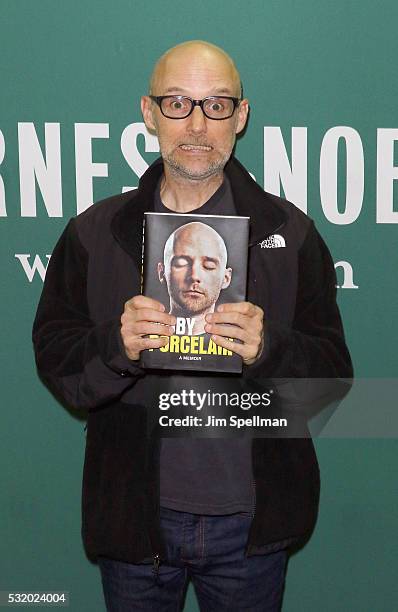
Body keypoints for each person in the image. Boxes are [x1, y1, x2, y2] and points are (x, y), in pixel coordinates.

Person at [32, 40, 353, 611]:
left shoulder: (292, 235)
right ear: (149, 113)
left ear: (242, 116)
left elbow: (333, 376)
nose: (198, 124)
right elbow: (57, 364)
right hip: (134, 522)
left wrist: (271, 349)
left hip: (252, 529)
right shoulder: (93, 233)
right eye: (178, 103)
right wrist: (114, 346)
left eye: (218, 104)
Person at [158, 221, 232, 334]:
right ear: (162, 272)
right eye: (181, 263)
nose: (194, 276)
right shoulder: (144, 336)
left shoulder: (236, 340)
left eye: (209, 266)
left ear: (226, 278)